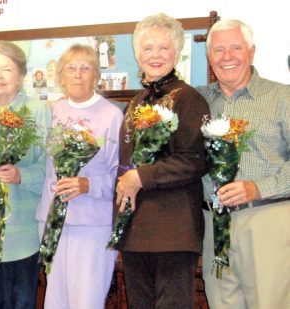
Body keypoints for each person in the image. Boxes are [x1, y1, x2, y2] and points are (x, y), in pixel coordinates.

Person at [114, 13, 209, 308]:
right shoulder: (137, 101)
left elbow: (195, 160)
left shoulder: (188, 98)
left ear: (177, 52)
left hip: (173, 229)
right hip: (136, 228)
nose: (155, 55)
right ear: (137, 54)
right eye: (147, 48)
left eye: (164, 48)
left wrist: (141, 177)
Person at [199, 19, 290, 309]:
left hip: (266, 219)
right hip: (213, 225)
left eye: (236, 48)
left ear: (251, 52)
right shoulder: (198, 100)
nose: (227, 57)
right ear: (209, 56)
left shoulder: (282, 97)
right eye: (218, 50)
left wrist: (257, 188)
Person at [36, 44, 123, 309]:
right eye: (71, 68)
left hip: (92, 225)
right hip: (52, 221)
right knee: (54, 300)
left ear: (96, 75)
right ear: (61, 76)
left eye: (85, 68)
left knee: (86, 301)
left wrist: (88, 184)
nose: (77, 74)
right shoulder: (51, 112)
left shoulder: (112, 115)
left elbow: (122, 176)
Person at [0, 41, 51, 309]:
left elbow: (49, 169)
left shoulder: (37, 111)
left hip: (22, 232)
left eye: (7, 69)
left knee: (20, 302)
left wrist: (21, 175)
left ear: (21, 76)